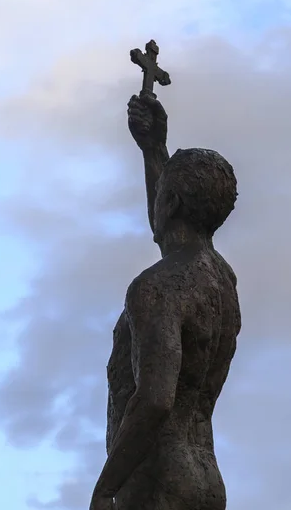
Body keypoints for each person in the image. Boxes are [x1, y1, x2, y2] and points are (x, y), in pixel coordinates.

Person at [90, 94, 241, 510]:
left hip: (156, 481)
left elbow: (156, 398)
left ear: (170, 202)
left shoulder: (156, 287)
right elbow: (171, 235)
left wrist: (106, 488)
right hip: (206, 477)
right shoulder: (220, 279)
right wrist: (154, 149)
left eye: (163, 194)